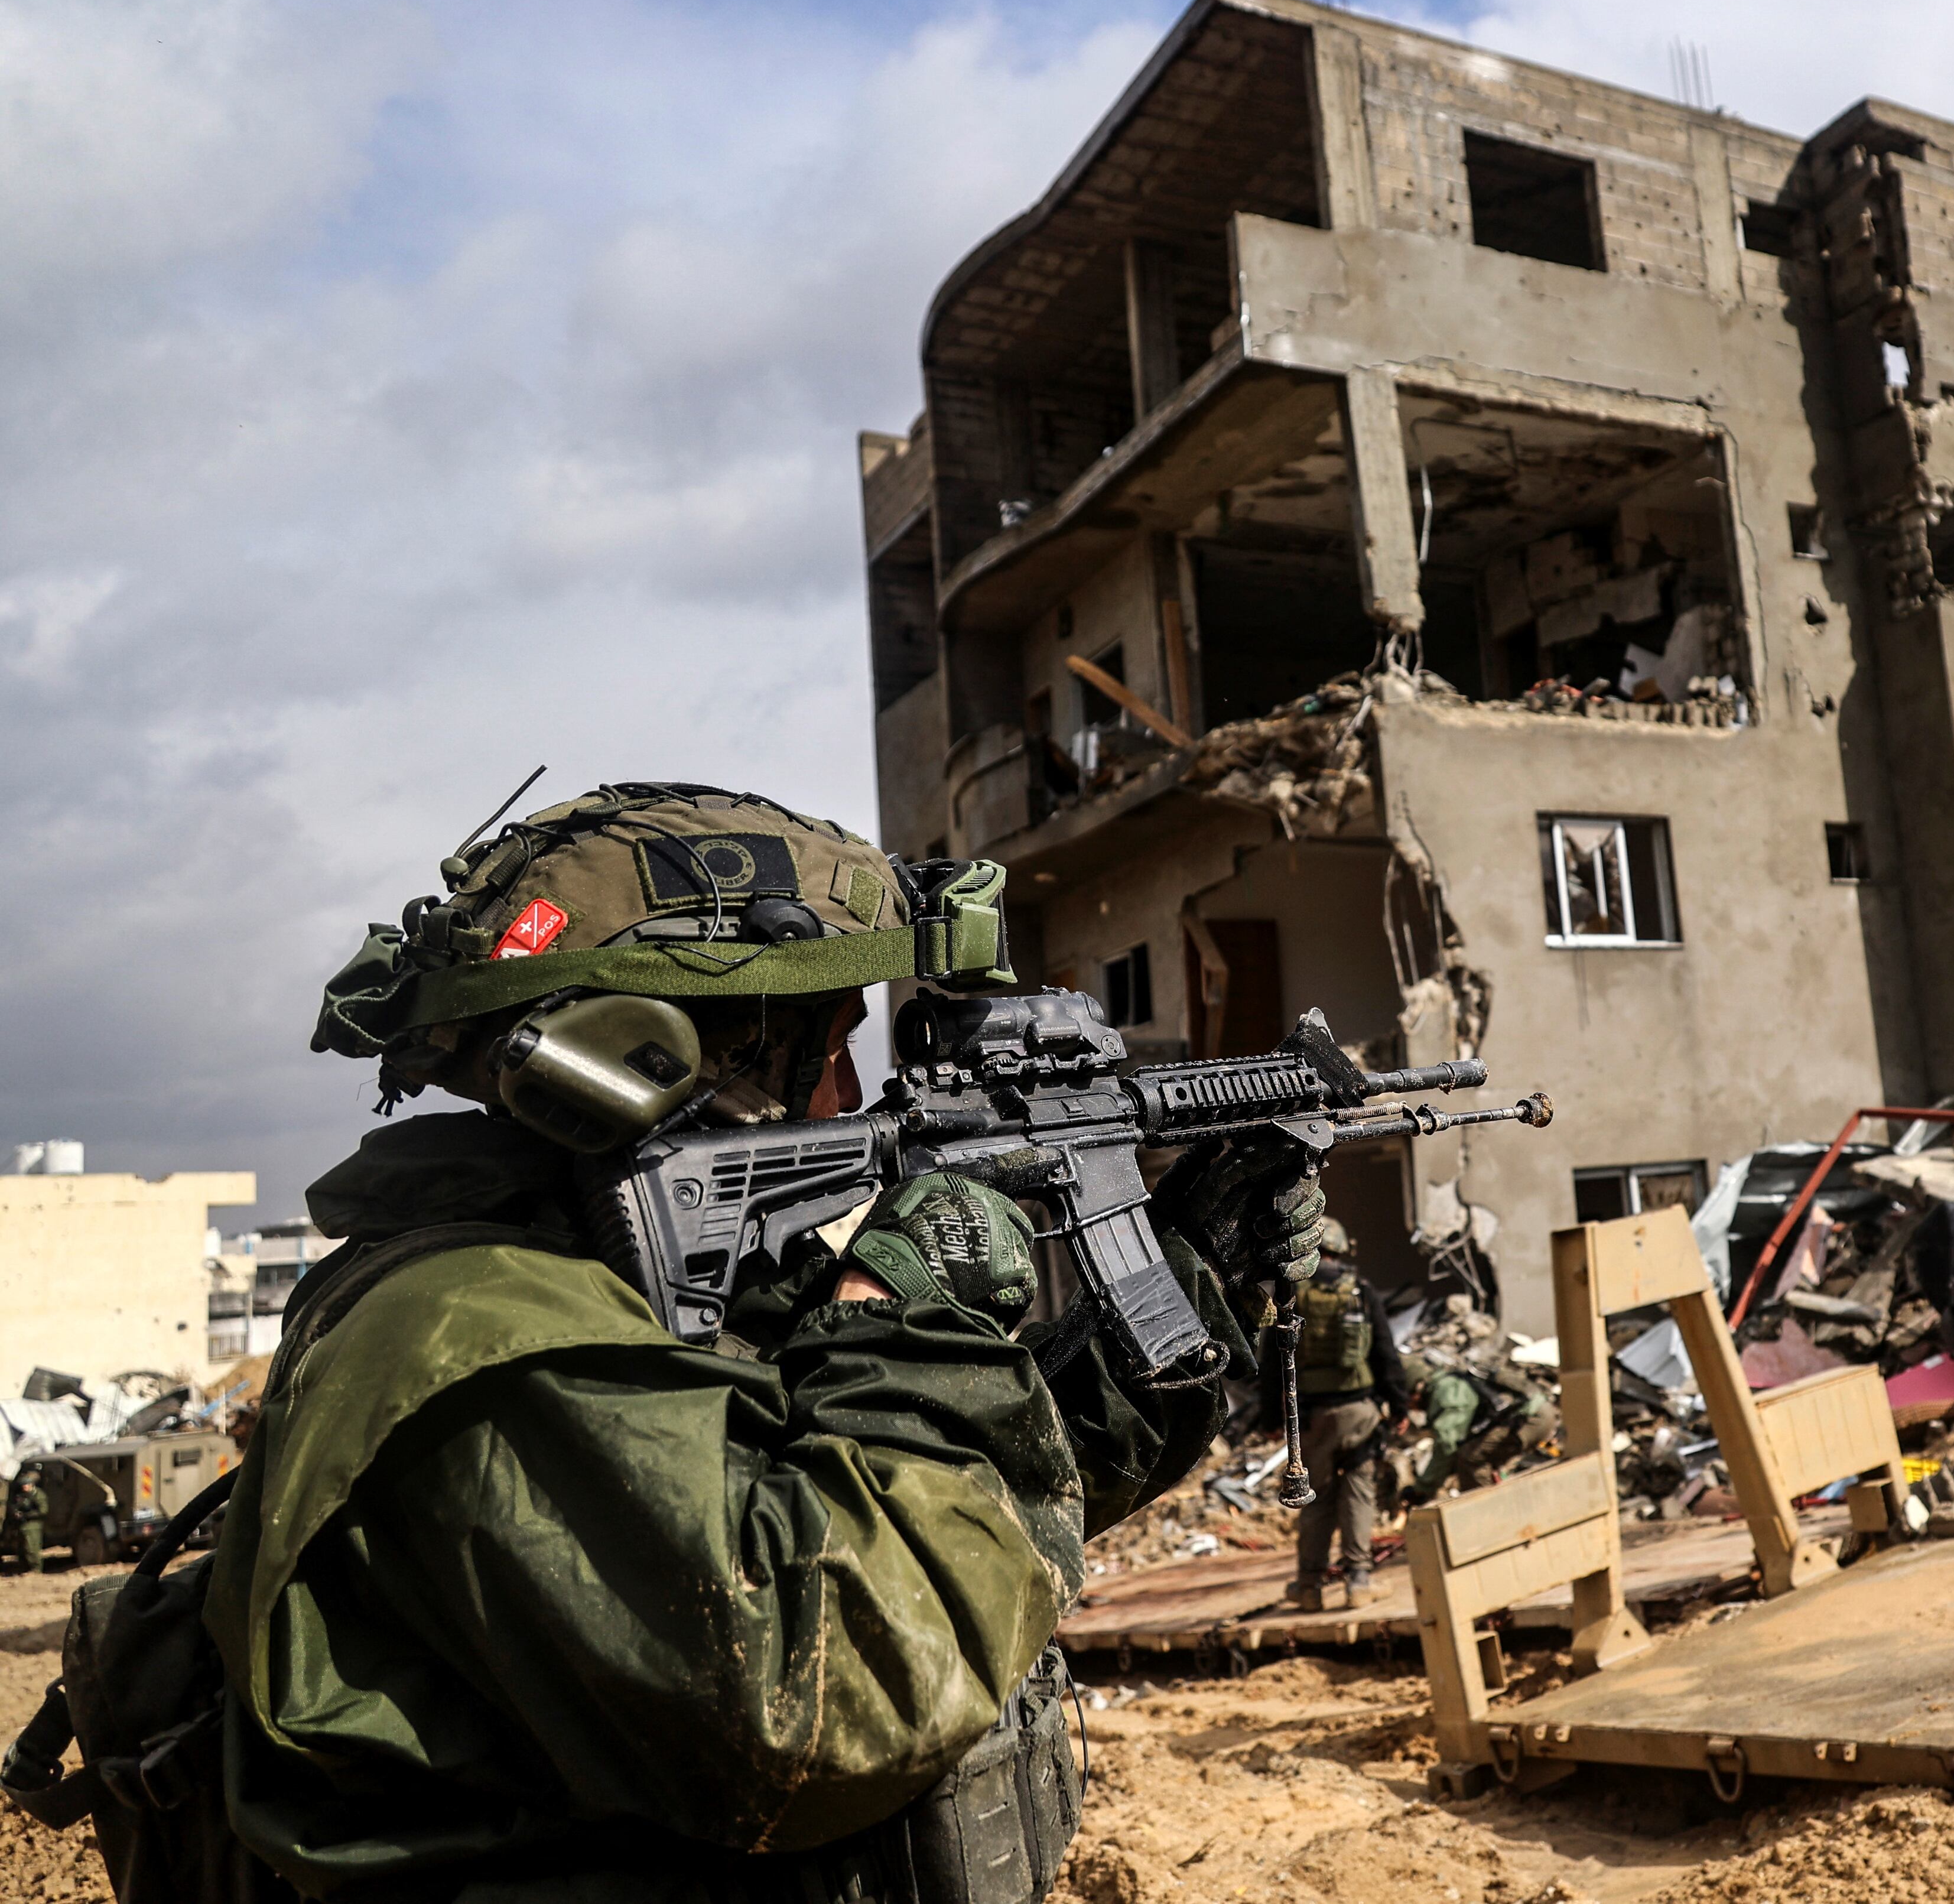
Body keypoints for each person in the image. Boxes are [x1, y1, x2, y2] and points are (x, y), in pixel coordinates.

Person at [204, 781, 1322, 1902]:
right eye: (829, 1045)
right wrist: (902, 1304)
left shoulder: (621, 1291)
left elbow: (946, 1514)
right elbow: (829, 1692)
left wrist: (1194, 1272)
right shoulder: (482, 1342)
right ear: (666, 1053)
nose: (849, 1091)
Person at [1283, 1220, 1404, 1611]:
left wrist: (1275, 1419)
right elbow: (1385, 1354)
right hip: (1359, 1413)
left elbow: (1277, 1362)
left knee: (1316, 1500)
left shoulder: (1293, 1295)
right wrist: (1399, 1405)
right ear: (1340, 1247)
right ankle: (1358, 1581)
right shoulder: (1361, 1290)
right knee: (1358, 1493)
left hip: (1313, 1418)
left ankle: (1309, 1586)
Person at [1402, 1350, 1557, 1501]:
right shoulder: (1449, 1384)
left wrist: (1422, 1491)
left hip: (1531, 1418)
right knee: (1480, 1456)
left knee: (1471, 1458)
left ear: (1415, 1389)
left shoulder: (1446, 1392)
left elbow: (1447, 1446)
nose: (1410, 1408)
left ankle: (1488, 1515)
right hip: (1534, 1415)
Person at [6, 1467, 42, 1573]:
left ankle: (36, 1570)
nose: (24, 1487)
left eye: (26, 1485)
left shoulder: (38, 1495)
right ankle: (25, 1569)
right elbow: (15, 1506)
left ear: (31, 1485)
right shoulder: (22, 1496)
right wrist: (16, 1513)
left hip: (33, 1525)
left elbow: (43, 1511)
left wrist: (26, 1515)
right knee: (22, 1549)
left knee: (32, 1549)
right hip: (23, 1525)